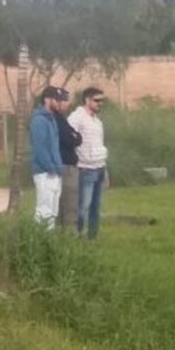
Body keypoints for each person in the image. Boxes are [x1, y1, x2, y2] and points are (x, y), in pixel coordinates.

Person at [68, 87, 108, 240]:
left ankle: (92, 236)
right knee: (83, 206)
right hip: (85, 169)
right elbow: (70, 139)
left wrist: (105, 169)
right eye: (97, 100)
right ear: (87, 100)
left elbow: (100, 144)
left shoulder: (98, 122)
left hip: (100, 167)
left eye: (102, 101)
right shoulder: (76, 117)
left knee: (96, 207)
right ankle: (78, 234)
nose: (100, 104)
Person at [29, 86, 65, 229]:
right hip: (45, 173)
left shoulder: (51, 119)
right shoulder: (39, 121)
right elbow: (40, 148)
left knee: (52, 212)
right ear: (47, 100)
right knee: (43, 211)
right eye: (56, 100)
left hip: (55, 172)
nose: (59, 103)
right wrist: (51, 167)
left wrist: (58, 169)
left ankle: (48, 242)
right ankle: (38, 240)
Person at [53, 88, 82, 229]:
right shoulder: (55, 120)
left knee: (64, 206)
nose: (65, 104)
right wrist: (75, 137)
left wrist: (75, 136)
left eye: (65, 100)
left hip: (67, 166)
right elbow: (70, 140)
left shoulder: (63, 119)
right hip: (65, 166)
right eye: (62, 100)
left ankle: (64, 237)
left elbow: (77, 137)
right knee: (70, 205)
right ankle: (71, 239)